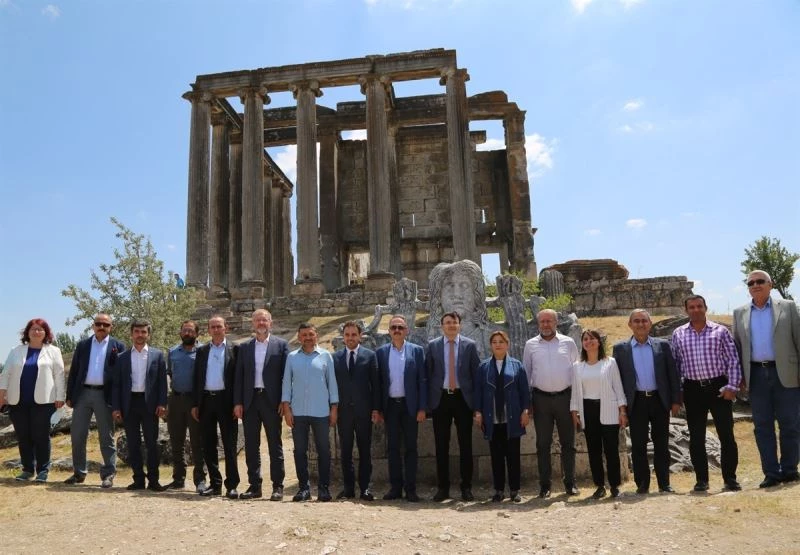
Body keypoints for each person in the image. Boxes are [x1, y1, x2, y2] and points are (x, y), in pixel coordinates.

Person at [733, 270, 800, 488]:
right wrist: (739, 376)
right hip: (756, 375)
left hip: (786, 373)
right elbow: (737, 347)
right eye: (751, 282)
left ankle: (790, 469)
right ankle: (771, 473)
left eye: (760, 281)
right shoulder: (739, 312)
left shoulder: (788, 307)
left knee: (790, 423)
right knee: (762, 426)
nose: (755, 285)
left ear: (770, 284)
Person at [672, 295, 742, 492]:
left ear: (705, 308)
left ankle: (730, 478)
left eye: (699, 306)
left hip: (718, 387)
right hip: (692, 389)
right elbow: (676, 365)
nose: (696, 310)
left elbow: (732, 359)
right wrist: (679, 392)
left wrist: (732, 386)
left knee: (726, 435)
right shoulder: (678, 333)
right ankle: (701, 480)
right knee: (696, 437)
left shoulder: (720, 331)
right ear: (686, 310)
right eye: (691, 307)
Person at [613, 309, 681, 494]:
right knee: (638, 445)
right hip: (636, 402)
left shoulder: (663, 345)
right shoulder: (620, 349)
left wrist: (675, 400)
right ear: (630, 325)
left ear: (650, 324)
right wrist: (621, 407)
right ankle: (642, 484)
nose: (640, 324)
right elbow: (617, 379)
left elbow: (672, 373)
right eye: (636, 321)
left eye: (644, 321)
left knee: (662, 444)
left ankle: (664, 483)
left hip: (659, 400)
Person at [64, 313, 125, 488]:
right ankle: (79, 473)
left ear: (111, 327)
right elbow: (74, 371)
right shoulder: (83, 345)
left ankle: (108, 474)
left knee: (106, 436)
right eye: (98, 324)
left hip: (105, 395)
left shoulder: (118, 346)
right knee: (77, 435)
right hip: (83, 394)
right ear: (93, 326)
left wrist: (118, 400)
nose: (101, 327)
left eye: (106, 324)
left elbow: (121, 375)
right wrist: (70, 396)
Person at [0, 318, 65, 482]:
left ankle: (43, 470)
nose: (37, 332)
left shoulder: (54, 351)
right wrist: (1, 395)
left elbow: (59, 376)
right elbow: (5, 374)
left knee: (41, 436)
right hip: (18, 401)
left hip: (44, 402)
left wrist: (60, 397)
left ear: (46, 333)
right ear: (27, 332)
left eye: (40, 329)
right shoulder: (16, 351)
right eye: (33, 329)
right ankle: (27, 470)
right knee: (23, 437)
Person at [523, 308, 579, 498]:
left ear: (556, 322)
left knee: (568, 443)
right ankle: (545, 485)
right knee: (542, 444)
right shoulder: (530, 345)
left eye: (549, 321)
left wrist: (576, 402)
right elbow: (526, 373)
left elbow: (576, 371)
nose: (546, 324)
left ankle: (570, 483)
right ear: (538, 323)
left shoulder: (568, 342)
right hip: (541, 400)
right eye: (542, 321)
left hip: (565, 398)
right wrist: (527, 403)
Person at [234, 309, 289, 501]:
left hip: (271, 401)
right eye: (257, 320)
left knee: (275, 444)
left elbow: (286, 375)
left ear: (270, 323)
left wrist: (284, 400)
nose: (261, 323)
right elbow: (239, 377)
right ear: (253, 323)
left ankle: (278, 486)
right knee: (251, 445)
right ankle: (254, 486)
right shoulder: (244, 347)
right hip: (250, 401)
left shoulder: (281, 345)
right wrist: (238, 402)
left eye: (264, 320)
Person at [426, 311, 480, 502]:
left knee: (466, 444)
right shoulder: (433, 346)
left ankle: (466, 487)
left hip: (462, 399)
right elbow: (428, 374)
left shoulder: (469, 345)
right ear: (442, 326)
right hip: (440, 399)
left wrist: (477, 406)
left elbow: (476, 375)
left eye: (454, 322)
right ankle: (443, 488)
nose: (451, 325)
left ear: (459, 325)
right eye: (447, 322)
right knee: (441, 445)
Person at [281, 323, 339, 502]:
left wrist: (334, 408)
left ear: (316, 335)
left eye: (310, 334)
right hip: (298, 412)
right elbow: (286, 384)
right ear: (299, 337)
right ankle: (304, 489)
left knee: (324, 450)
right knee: (299, 451)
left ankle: (323, 489)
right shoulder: (292, 357)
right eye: (304, 335)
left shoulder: (326, 356)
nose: (307, 337)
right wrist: (286, 409)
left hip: (321, 411)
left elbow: (332, 383)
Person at [111, 319, 168, 492]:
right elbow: (117, 385)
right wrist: (116, 407)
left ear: (148, 335)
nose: (140, 335)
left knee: (152, 443)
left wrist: (162, 403)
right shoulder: (122, 358)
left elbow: (162, 382)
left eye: (143, 332)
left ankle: (154, 480)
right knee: (133, 444)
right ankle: (138, 479)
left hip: (150, 404)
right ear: (131, 334)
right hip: (129, 404)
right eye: (137, 331)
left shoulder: (157, 355)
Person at [570, 329, 627, 499]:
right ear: (582, 344)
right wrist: (574, 411)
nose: (589, 342)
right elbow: (575, 392)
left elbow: (618, 387)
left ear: (599, 342)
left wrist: (622, 410)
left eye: (592, 338)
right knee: (594, 450)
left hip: (608, 408)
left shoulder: (610, 363)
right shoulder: (577, 366)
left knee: (611, 449)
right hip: (588, 410)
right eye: (585, 339)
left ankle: (615, 485)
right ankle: (600, 485)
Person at [473, 331, 530, 503]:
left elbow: (524, 391)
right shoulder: (483, 367)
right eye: (495, 342)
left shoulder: (517, 365)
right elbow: (478, 392)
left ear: (507, 344)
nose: (498, 344)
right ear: (490, 345)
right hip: (492, 419)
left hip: (512, 418)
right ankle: (498, 490)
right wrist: (478, 412)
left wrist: (525, 411)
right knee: (496, 456)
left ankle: (514, 490)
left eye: (501, 341)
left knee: (513, 456)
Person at [376, 315, 427, 502]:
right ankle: (395, 488)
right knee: (393, 448)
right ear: (389, 331)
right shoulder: (381, 353)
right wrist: (378, 409)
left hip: (410, 406)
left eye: (400, 327)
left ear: (407, 330)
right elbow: (378, 383)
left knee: (411, 448)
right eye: (393, 327)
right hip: (390, 406)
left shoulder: (417, 351)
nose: (397, 330)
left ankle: (411, 489)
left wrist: (422, 408)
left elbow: (422, 381)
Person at [192, 316, 240, 499]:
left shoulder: (235, 349)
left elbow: (239, 378)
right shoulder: (202, 350)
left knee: (230, 444)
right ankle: (215, 484)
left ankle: (232, 485)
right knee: (208, 444)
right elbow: (197, 377)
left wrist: (237, 403)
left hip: (226, 401)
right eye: (212, 327)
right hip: (206, 401)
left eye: (219, 326)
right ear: (208, 330)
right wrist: (196, 404)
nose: (216, 329)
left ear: (226, 328)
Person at [333, 320, 380, 501]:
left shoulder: (370, 356)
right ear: (343, 337)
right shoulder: (335, 358)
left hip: (364, 412)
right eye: (347, 335)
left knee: (364, 450)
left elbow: (375, 385)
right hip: (343, 413)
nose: (350, 338)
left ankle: (365, 488)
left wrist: (376, 409)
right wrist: (333, 408)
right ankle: (348, 488)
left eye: (354, 334)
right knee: (345, 451)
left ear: (360, 336)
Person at [166, 320, 206, 492]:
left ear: (197, 333)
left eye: (190, 331)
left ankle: (200, 480)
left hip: (195, 401)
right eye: (184, 330)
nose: (187, 333)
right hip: (175, 400)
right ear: (180, 332)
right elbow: (169, 373)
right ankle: (178, 479)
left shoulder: (204, 351)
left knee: (198, 441)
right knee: (176, 441)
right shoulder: (172, 352)